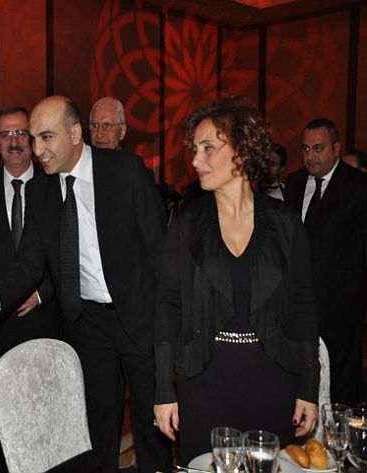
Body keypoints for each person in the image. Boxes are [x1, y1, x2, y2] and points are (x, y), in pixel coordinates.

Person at [0, 95, 171, 473]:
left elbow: (160, 253)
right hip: (88, 324)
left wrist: (167, 324)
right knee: (98, 427)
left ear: (74, 134)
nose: (37, 150)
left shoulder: (126, 172)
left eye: (46, 137)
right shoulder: (40, 191)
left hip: (139, 317)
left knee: (150, 425)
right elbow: (28, 265)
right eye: (33, 139)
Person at [154, 96, 320, 464]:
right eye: (194, 150)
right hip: (205, 380)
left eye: (207, 148)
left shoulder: (285, 223)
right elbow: (167, 304)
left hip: (273, 378)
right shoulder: (187, 222)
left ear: (242, 150)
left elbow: (304, 306)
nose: (196, 160)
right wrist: (164, 390)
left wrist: (310, 387)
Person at [0, 106, 62, 473]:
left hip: (45, 319)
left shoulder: (55, 185)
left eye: (21, 133)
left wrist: (42, 293)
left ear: (33, 140)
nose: (14, 141)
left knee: (45, 411)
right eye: (5, 135)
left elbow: (69, 253)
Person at [285, 118, 367, 406]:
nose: (310, 156)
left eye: (318, 148)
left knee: (340, 390)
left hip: (341, 309)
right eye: (305, 149)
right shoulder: (295, 183)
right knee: (301, 382)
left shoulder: (358, 185)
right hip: (298, 306)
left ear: (336, 148)